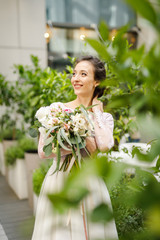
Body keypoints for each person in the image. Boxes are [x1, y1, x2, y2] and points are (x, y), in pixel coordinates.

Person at [31, 55, 118, 240]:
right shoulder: (57, 110)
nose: (75, 78)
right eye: (74, 73)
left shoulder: (104, 117)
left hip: (90, 182)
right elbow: (43, 151)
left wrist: (95, 113)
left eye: (83, 74)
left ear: (96, 81)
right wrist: (77, 142)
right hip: (59, 181)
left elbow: (102, 147)